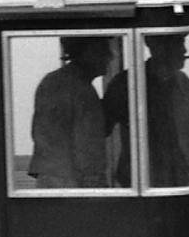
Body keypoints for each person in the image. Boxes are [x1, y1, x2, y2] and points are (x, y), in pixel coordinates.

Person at [29, 35, 121, 187]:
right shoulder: (80, 89)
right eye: (104, 50)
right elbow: (87, 145)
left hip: (51, 178)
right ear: (88, 51)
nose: (110, 56)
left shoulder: (53, 81)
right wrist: (96, 186)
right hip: (74, 183)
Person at [143, 33, 189, 188]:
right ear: (157, 48)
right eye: (177, 43)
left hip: (182, 179)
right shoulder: (127, 84)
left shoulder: (183, 83)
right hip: (147, 184)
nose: (184, 50)